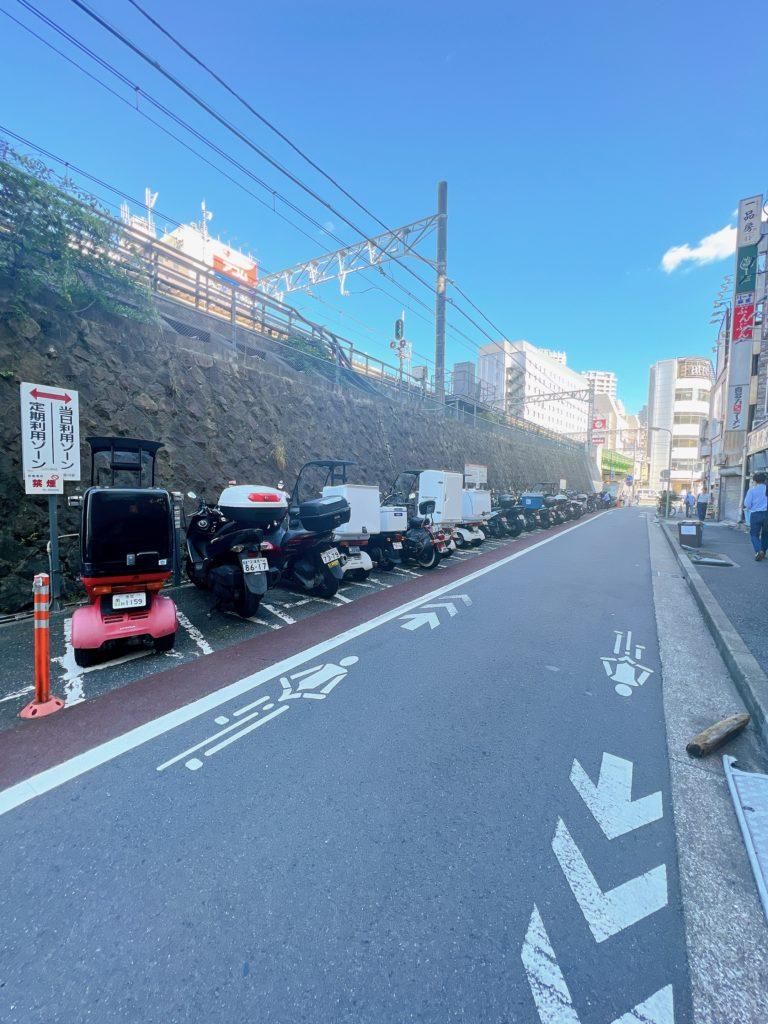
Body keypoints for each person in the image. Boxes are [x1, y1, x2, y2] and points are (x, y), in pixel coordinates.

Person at [743, 472, 768, 561]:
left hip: (756, 514)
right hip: (767, 514)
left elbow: (747, 504)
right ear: (765, 480)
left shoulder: (752, 490)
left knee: (754, 534)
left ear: (754, 481)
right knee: (766, 534)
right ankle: (763, 552)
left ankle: (758, 550)